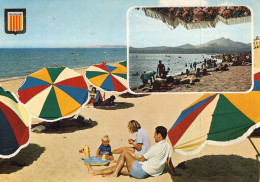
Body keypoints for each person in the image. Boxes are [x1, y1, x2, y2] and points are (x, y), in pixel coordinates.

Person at [87, 126, 179, 178]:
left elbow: (142, 159)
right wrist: (175, 174)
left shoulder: (155, 148)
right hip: (146, 173)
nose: (154, 136)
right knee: (118, 167)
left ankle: (114, 174)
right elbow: (169, 162)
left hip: (141, 170)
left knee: (124, 153)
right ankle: (95, 172)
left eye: (155, 134)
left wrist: (135, 158)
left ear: (159, 135)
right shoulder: (168, 146)